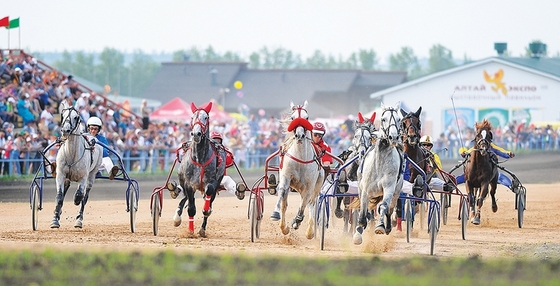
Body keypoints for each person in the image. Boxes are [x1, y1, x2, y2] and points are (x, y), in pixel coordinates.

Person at [210, 131, 245, 200]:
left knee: (227, 179)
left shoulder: (223, 150)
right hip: (206, 179)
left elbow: (229, 161)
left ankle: (237, 192)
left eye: (218, 140)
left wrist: (224, 154)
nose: (216, 142)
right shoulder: (205, 151)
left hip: (218, 178)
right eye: (214, 140)